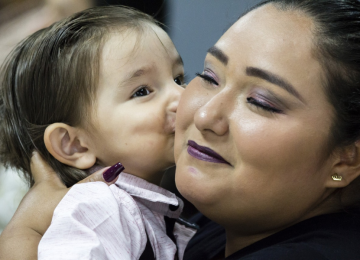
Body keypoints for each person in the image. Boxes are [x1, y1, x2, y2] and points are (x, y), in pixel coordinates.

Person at [2, 0, 360, 259]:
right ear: (71, 142)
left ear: (348, 159)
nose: (200, 112)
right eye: (208, 76)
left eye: (262, 102)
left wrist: (23, 234)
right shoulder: (197, 219)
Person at [0, 6, 197, 260]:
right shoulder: (99, 207)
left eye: (179, 79)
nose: (183, 96)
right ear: (75, 145)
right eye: (142, 91)